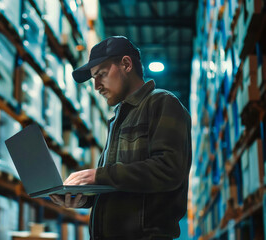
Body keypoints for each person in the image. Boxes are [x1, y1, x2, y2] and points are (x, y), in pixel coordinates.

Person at [49, 36, 192, 240]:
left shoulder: (162, 103)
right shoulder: (118, 119)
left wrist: (97, 175)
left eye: (102, 74)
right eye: (94, 79)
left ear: (126, 64)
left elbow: (168, 169)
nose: (96, 85)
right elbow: (119, 185)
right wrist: (83, 199)